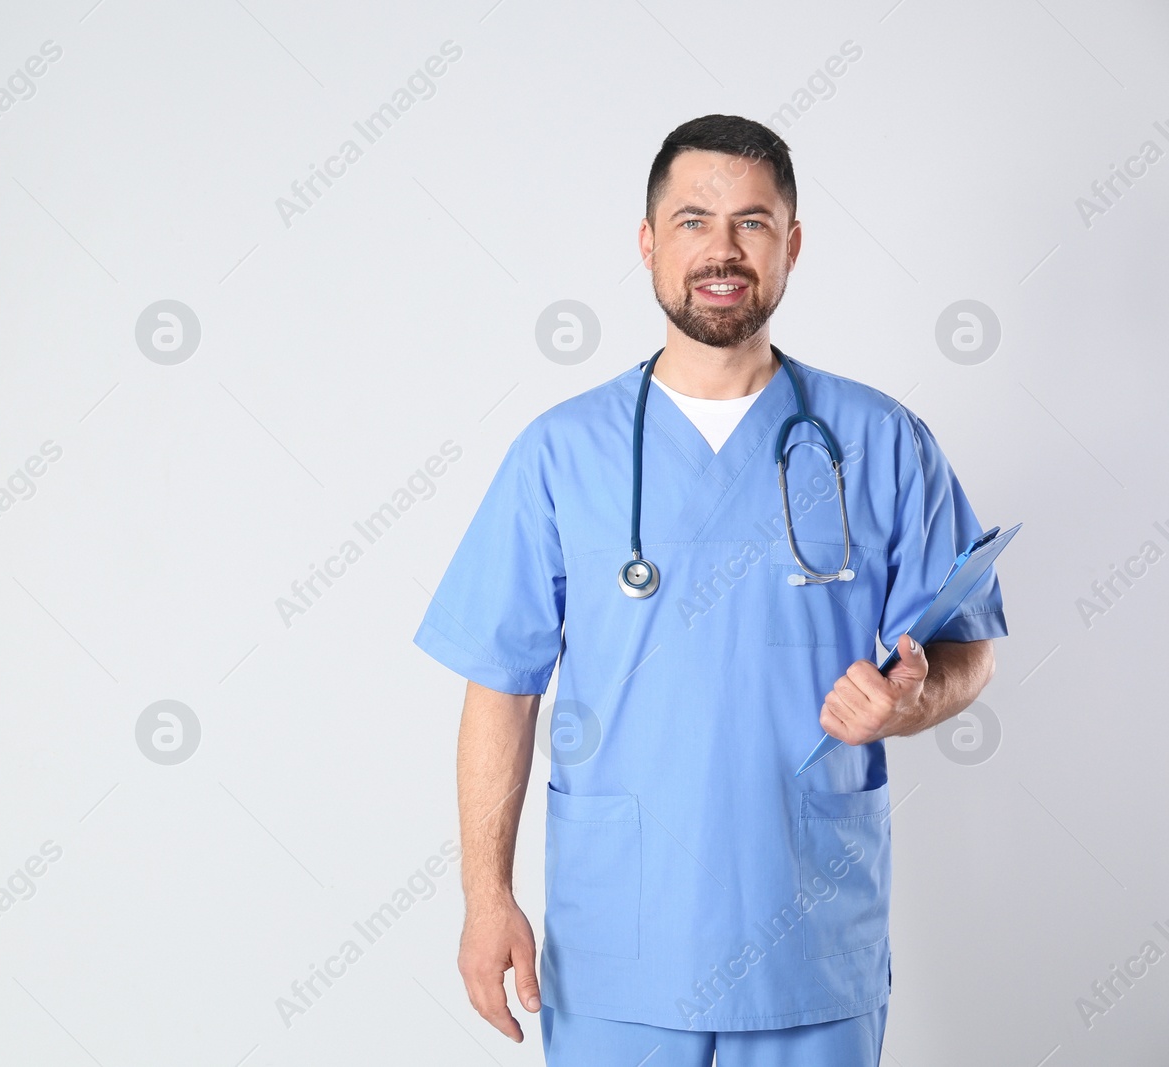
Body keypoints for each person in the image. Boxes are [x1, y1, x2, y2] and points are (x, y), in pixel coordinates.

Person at [411, 114, 1008, 1066]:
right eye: (692, 221)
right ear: (648, 243)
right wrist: (487, 897)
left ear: (792, 245)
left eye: (752, 223)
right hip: (620, 950)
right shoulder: (562, 454)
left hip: (811, 942)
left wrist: (910, 702)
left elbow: (967, 645)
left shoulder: (885, 441)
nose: (721, 251)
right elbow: (501, 686)